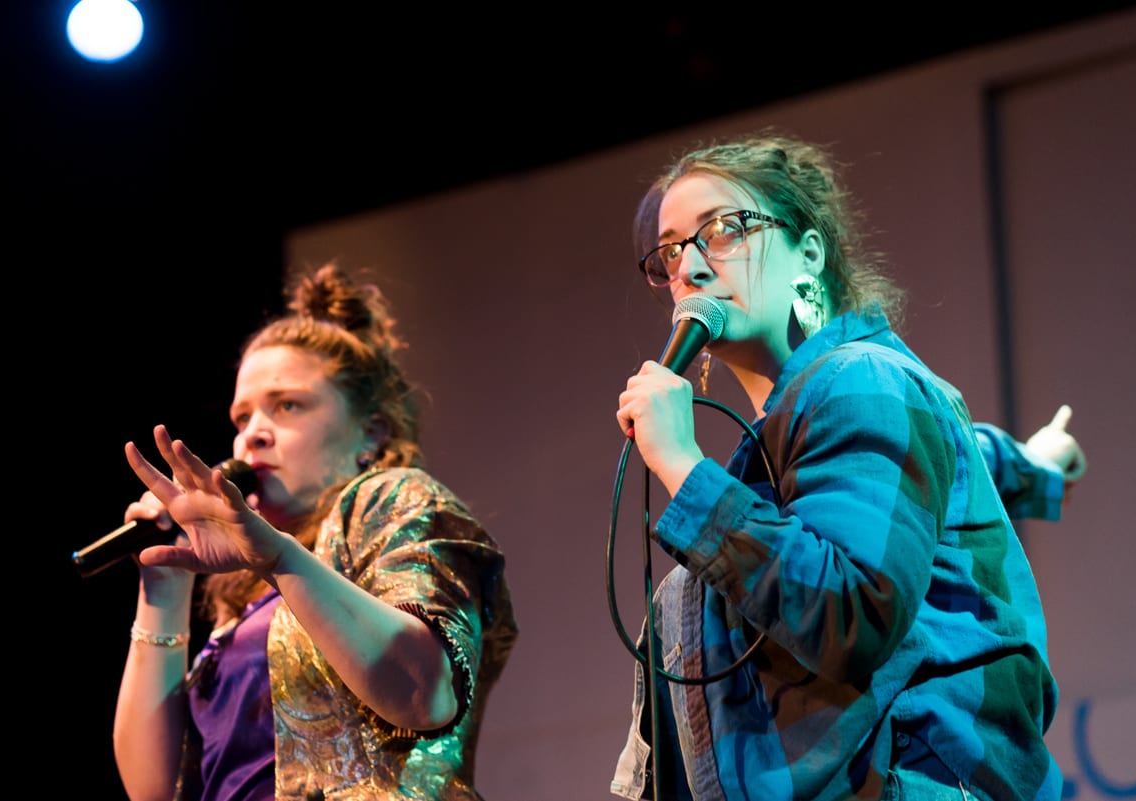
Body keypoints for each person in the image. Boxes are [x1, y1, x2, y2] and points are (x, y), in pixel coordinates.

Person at [611, 131, 1074, 801]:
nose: (691, 267)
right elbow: (946, 459)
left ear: (809, 253)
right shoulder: (790, 436)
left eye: (724, 229)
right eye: (673, 249)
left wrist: (683, 464)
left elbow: (852, 613)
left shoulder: (861, 378)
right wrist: (1037, 465)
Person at [112, 261, 518, 801]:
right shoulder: (246, 590)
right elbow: (152, 789)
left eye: (287, 405)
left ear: (371, 432)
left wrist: (280, 559)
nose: (253, 435)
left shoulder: (393, 500)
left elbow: (424, 696)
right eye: (242, 418)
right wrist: (163, 588)